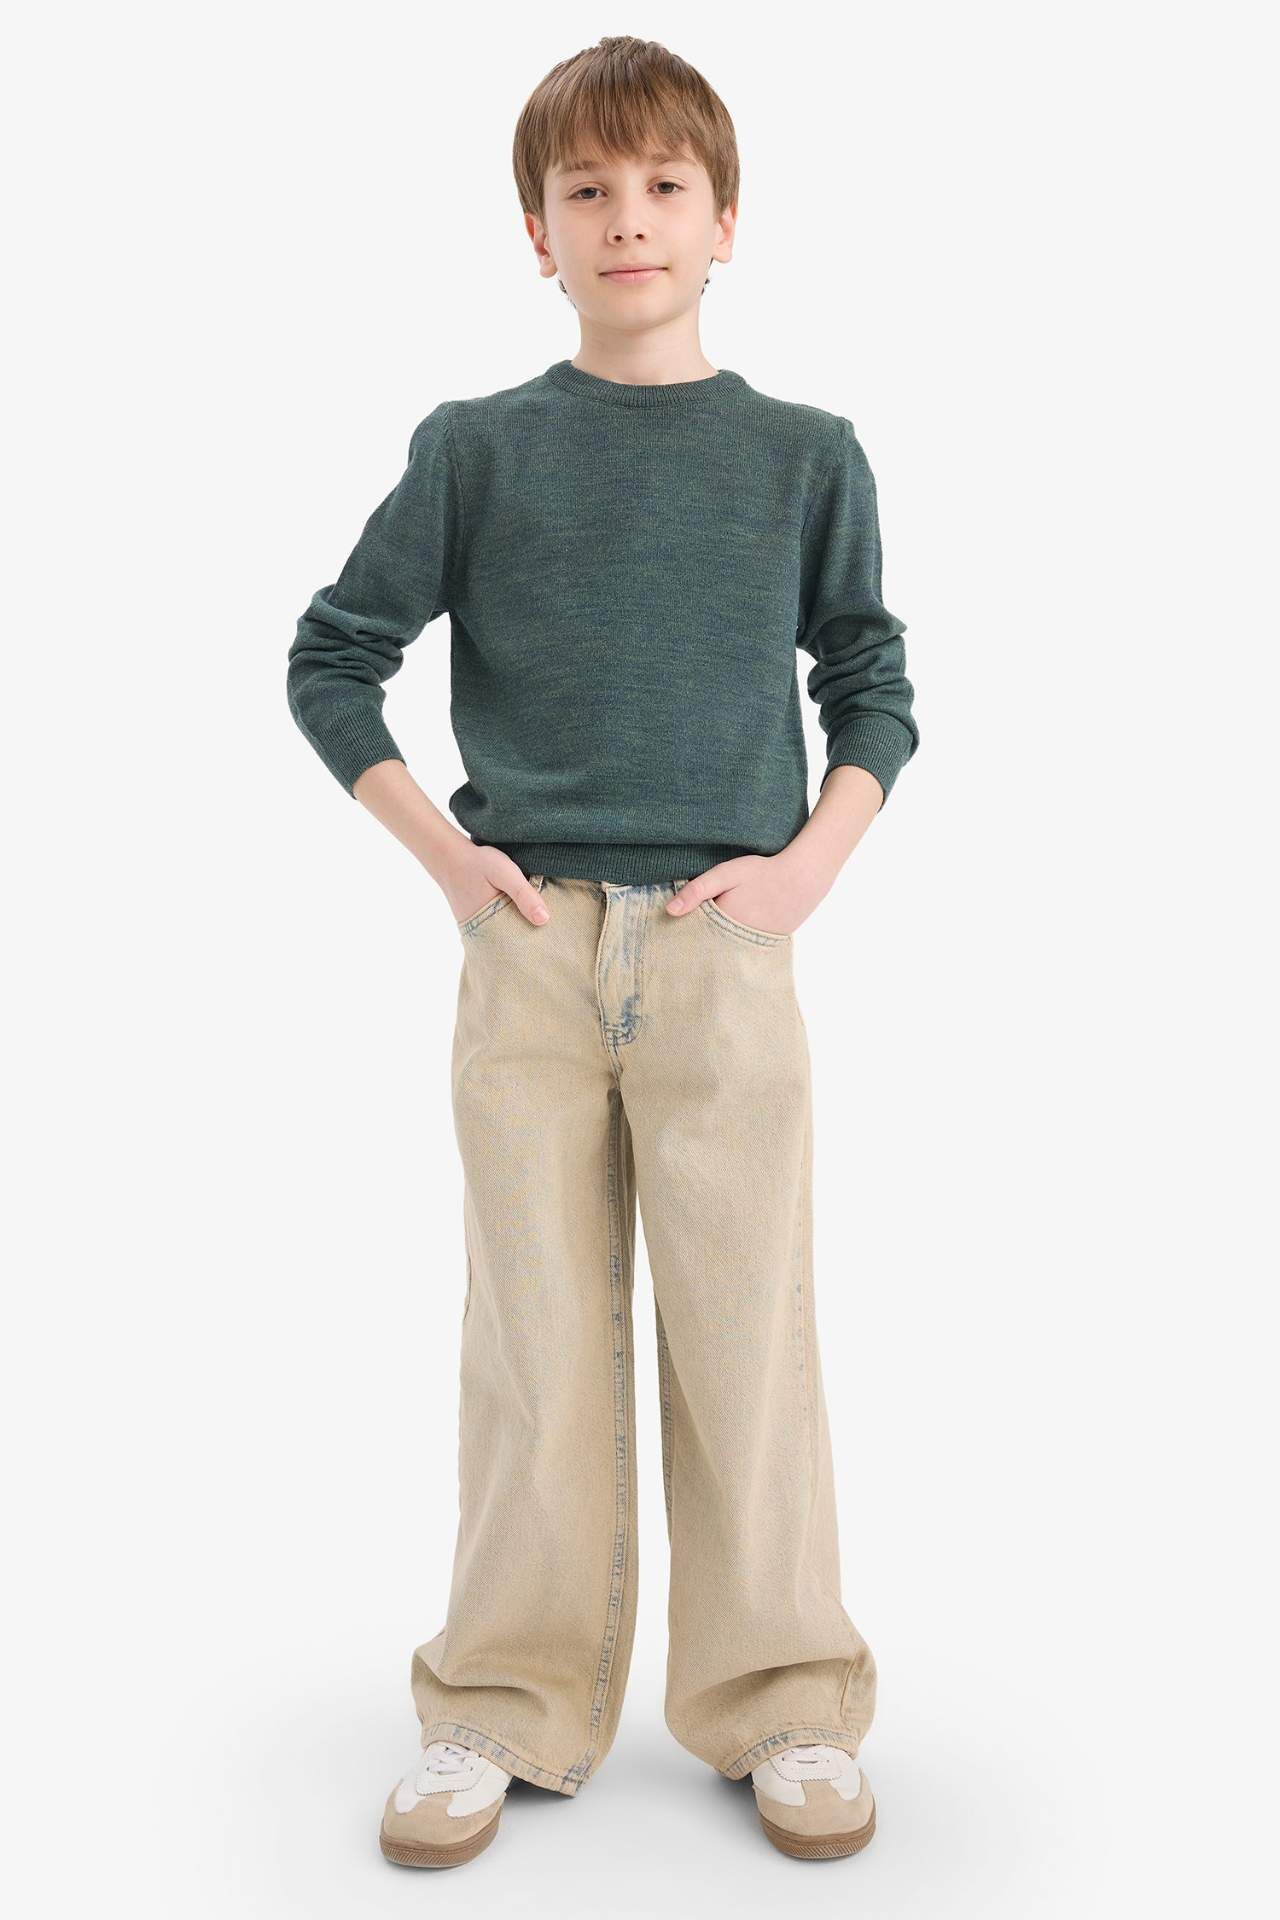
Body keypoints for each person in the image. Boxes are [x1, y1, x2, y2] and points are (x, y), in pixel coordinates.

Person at [286, 33, 918, 1871]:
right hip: (531, 949)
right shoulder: (476, 450)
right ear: (536, 234)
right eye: (586, 190)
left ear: (726, 223)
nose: (626, 218)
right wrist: (450, 862)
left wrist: (806, 870)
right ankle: (497, 1705)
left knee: (749, 1337)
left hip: (726, 950)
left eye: (663, 187)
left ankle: (784, 1699)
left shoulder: (805, 456)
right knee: (533, 1340)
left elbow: (871, 678)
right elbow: (333, 656)